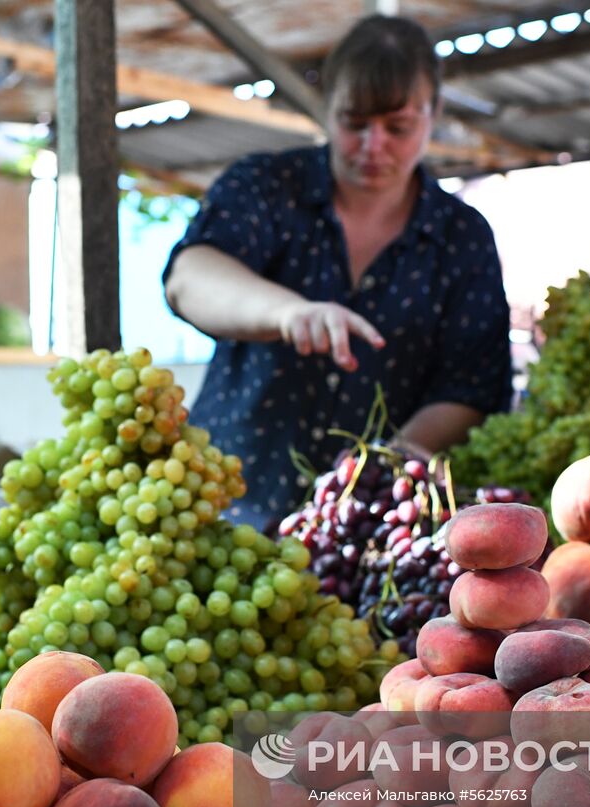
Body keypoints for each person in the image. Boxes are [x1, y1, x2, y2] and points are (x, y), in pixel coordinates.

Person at [163, 14, 512, 529]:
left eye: (398, 127)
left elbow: (473, 386)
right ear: (327, 109)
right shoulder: (265, 185)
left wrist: (392, 462)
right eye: (354, 123)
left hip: (365, 536)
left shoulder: (462, 238)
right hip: (223, 505)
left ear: (433, 114)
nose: (373, 147)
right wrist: (288, 312)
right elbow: (188, 277)